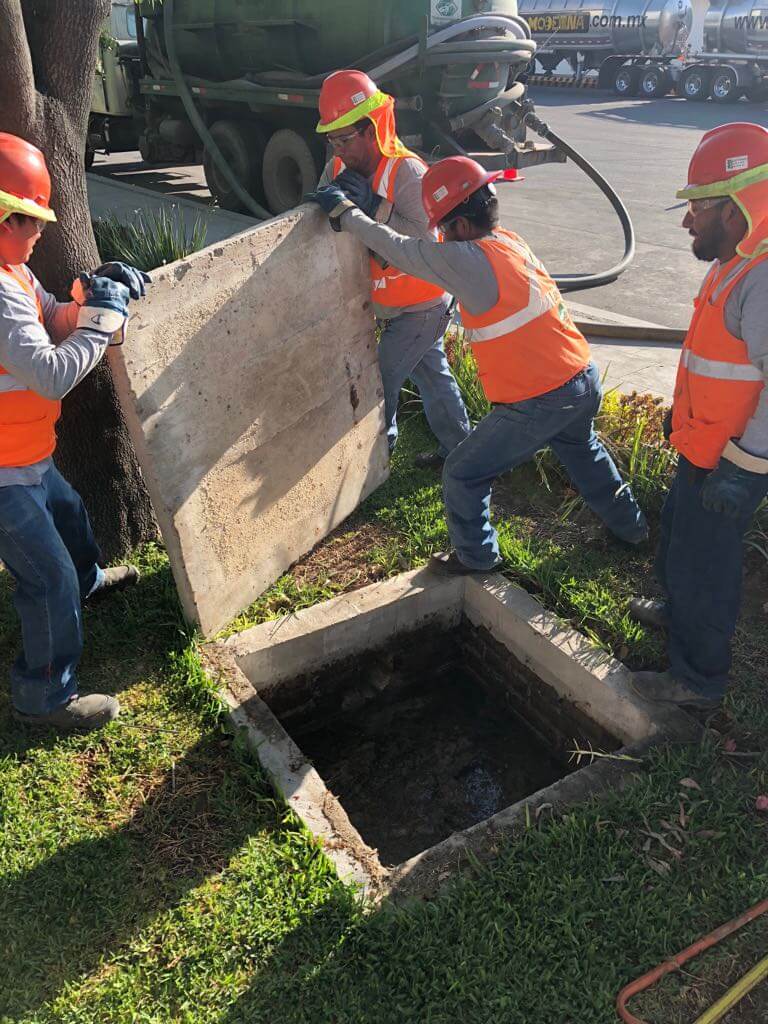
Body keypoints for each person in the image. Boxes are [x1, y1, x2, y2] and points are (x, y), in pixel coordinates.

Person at [307, 155, 648, 574]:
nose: (441, 238)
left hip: (541, 399)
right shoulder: (509, 241)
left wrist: (346, 212)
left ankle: (478, 559)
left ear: (462, 227)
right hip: (581, 379)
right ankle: (633, 530)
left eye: (442, 229)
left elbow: (399, 249)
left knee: (464, 473)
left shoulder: (466, 258)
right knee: (584, 451)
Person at [0, 132, 149, 732]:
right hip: (5, 474)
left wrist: (91, 295)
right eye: (29, 220)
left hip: (26, 455)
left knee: (72, 519)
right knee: (45, 577)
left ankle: (86, 583)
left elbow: (53, 318)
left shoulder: (13, 271)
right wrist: (104, 322)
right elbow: (51, 374)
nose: (39, 233)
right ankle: (45, 695)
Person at [629, 123, 768, 711]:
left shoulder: (762, 276)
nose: (688, 220)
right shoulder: (738, 258)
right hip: (705, 447)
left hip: (732, 461)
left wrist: (747, 466)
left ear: (742, 205)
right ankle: (676, 613)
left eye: (699, 206)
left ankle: (697, 682)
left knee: (706, 568)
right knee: (679, 545)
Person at [314, 70, 470, 467]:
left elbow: (424, 243)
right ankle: (462, 450)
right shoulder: (336, 169)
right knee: (433, 377)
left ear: (372, 130)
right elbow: (321, 216)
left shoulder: (407, 173)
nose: (339, 150)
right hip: (389, 301)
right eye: (331, 139)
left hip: (423, 303)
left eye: (345, 139)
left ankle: (375, 456)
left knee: (380, 377)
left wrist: (373, 209)